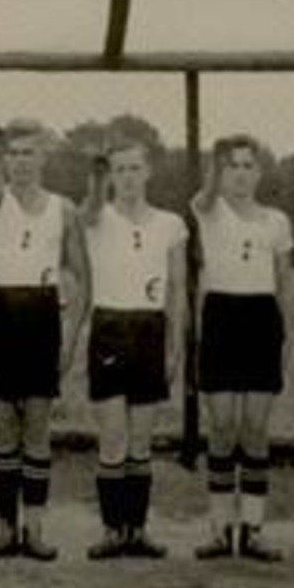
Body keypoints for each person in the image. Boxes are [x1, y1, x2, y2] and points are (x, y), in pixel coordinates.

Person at [0, 120, 89, 561]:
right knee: (4, 429)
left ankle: (35, 530)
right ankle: (5, 528)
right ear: (4, 161)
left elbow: (82, 275)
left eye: (28, 153)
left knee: (37, 427)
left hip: (41, 314)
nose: (20, 162)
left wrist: (73, 334)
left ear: (43, 158)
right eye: (13, 154)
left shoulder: (64, 209)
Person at [79, 139, 186, 560]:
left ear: (147, 172)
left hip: (150, 328)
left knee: (142, 441)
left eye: (133, 168)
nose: (126, 177)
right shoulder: (95, 217)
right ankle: (111, 531)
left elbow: (177, 290)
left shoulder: (170, 223)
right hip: (109, 325)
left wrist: (175, 345)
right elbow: (87, 207)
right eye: (118, 170)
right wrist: (95, 176)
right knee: (113, 439)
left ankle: (137, 531)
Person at [190, 134, 292, 562]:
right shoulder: (209, 210)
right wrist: (217, 159)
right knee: (223, 427)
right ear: (220, 171)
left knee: (254, 429)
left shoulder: (276, 221)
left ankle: (252, 529)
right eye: (232, 166)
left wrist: (286, 336)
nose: (240, 174)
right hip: (220, 316)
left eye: (248, 165)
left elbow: (284, 284)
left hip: (261, 318)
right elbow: (206, 192)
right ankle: (219, 528)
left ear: (260, 172)